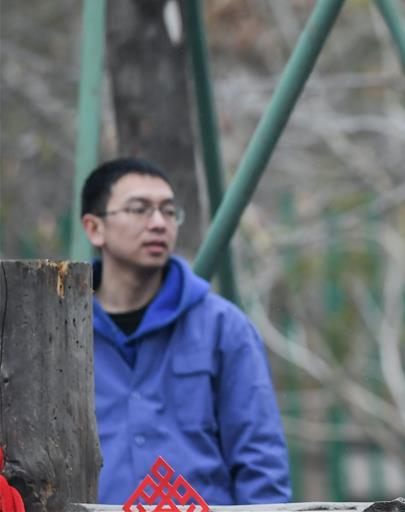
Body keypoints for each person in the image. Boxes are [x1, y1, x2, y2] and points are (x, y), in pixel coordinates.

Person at [80, 157, 291, 505]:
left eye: (168, 211)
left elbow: (261, 462)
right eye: (139, 210)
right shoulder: (60, 333)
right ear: (94, 228)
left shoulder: (224, 327)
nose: (159, 223)